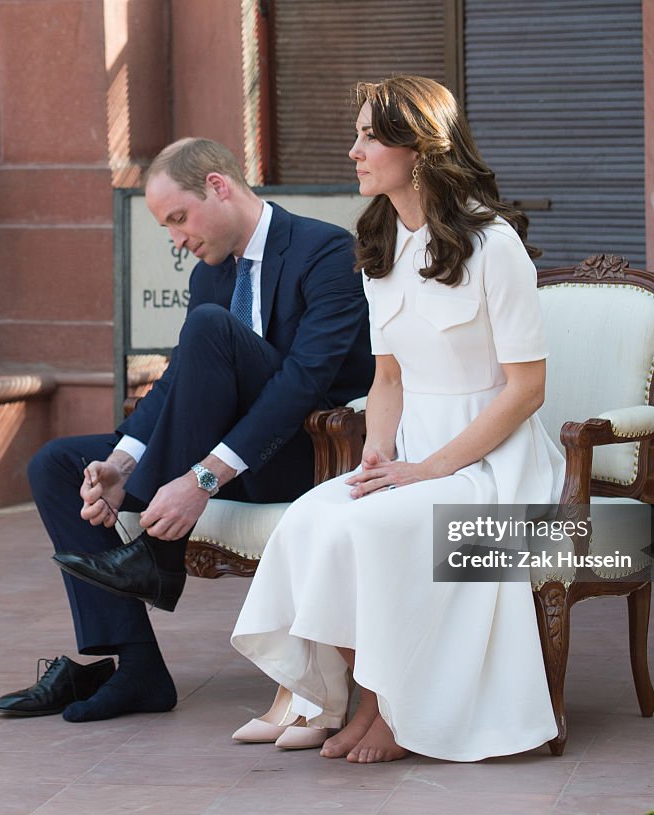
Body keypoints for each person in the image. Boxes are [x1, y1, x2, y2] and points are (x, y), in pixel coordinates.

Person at [230, 75, 565, 763]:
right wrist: (377, 457)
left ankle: (396, 711)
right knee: (315, 517)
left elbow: (527, 390)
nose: (353, 151)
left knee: (377, 526)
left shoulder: (492, 245)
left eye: (369, 137)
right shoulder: (383, 244)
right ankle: (364, 698)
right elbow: (388, 376)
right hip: (412, 452)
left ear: (419, 149)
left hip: (495, 464)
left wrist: (430, 468)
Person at [0, 137, 373, 722]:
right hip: (219, 455)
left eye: (178, 219)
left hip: (308, 454)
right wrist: (122, 466)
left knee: (209, 328)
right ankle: (139, 667)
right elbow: (175, 385)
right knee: (60, 465)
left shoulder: (325, 252)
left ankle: (155, 552)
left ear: (218, 186)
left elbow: (304, 383)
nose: (176, 239)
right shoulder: (211, 276)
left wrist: (198, 480)